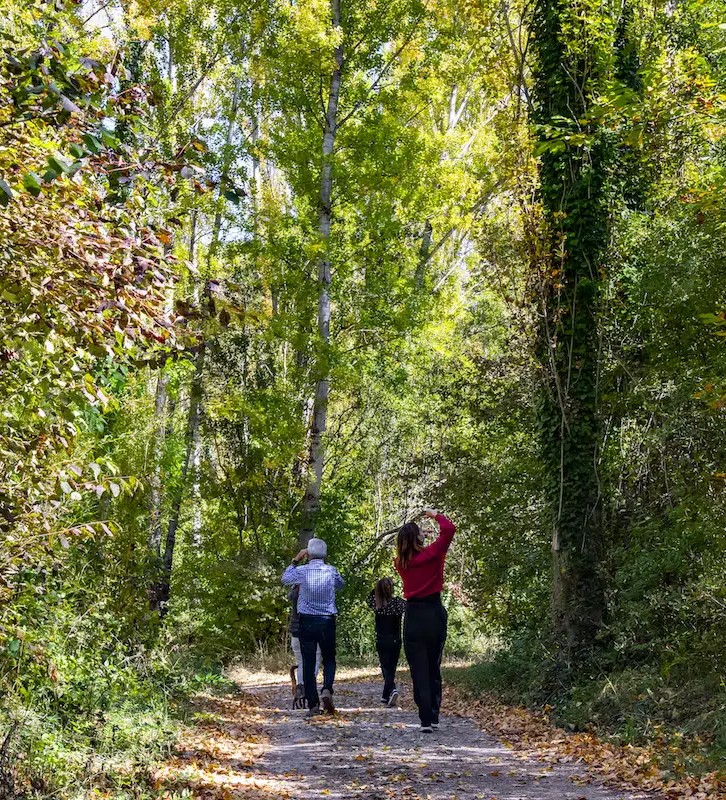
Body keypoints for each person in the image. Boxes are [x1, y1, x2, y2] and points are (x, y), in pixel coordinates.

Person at [395, 508, 456, 733]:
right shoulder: (433, 555)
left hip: (413, 615)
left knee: (418, 667)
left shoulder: (400, 563)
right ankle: (434, 713)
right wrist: (435, 514)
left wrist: (420, 535)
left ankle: (424, 719)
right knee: (433, 664)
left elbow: (414, 551)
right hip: (434, 612)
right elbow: (449, 529)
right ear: (417, 538)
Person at [281, 537, 344, 717]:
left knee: (308, 662)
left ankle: (313, 704)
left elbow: (285, 578)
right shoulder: (331, 571)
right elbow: (341, 585)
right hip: (327, 620)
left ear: (308, 554)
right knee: (329, 658)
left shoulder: (302, 571)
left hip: (306, 621)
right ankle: (327, 689)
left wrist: (295, 559)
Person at [366, 577, 406, 707]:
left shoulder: (377, 604)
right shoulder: (398, 603)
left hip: (382, 639)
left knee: (385, 667)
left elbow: (368, 597)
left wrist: (378, 588)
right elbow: (409, 607)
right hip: (395, 639)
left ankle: (390, 690)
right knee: (391, 667)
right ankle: (386, 694)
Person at [288, 585, 322, 706]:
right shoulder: (312, 594)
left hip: (295, 631)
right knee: (315, 659)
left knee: (301, 662)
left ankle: (301, 688)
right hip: (310, 630)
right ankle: (309, 686)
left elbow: (290, 595)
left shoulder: (294, 594)